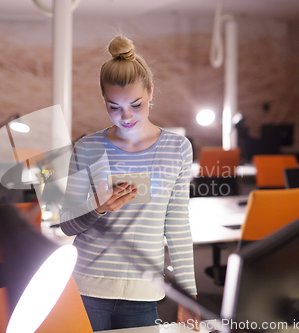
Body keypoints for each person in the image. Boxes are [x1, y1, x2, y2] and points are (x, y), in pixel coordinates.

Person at [60, 35, 200, 331]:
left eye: (135, 104)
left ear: (150, 92)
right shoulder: (88, 147)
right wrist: (96, 207)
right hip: (87, 287)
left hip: (143, 291)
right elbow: (66, 225)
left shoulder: (177, 148)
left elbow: (177, 225)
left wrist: (189, 293)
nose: (126, 117)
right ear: (104, 101)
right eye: (114, 107)